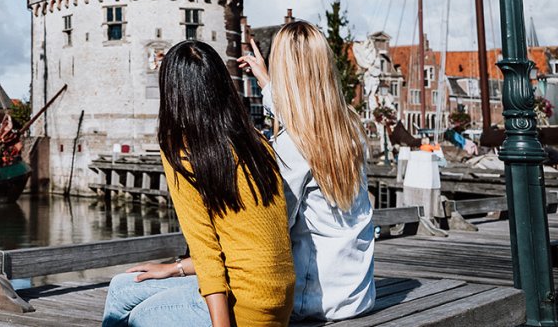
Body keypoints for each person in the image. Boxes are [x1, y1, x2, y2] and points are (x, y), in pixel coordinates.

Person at [102, 40, 294, 327]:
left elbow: (205, 249)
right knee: (121, 287)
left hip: (246, 306)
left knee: (137, 319)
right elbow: (247, 243)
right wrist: (175, 268)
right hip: (278, 299)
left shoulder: (182, 151)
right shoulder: (256, 141)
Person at [239, 20, 375, 320]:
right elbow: (305, 112)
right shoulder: (349, 128)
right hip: (356, 294)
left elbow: (272, 227)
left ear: (284, 71)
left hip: (312, 300)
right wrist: (265, 82)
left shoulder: (292, 146)